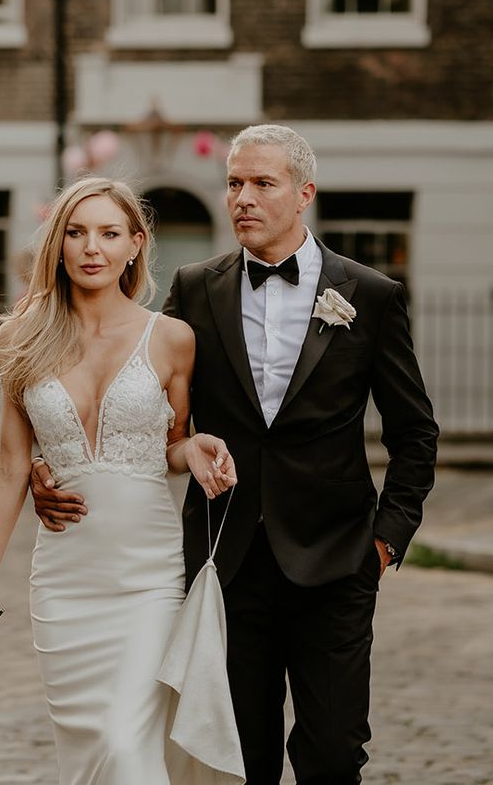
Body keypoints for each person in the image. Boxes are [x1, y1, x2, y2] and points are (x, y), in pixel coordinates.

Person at [33, 125, 439, 784]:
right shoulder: (196, 290)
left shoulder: (370, 296)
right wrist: (44, 462)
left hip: (337, 563)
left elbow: (415, 433)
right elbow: (131, 401)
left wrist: (385, 541)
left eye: (261, 184)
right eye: (233, 184)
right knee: (238, 760)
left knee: (334, 754)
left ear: (303, 193)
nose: (242, 198)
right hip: (227, 565)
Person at [0, 176, 241, 785]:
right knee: (93, 758)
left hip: (148, 577)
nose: (93, 248)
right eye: (78, 233)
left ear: (135, 244)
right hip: (64, 584)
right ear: (58, 246)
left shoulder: (172, 339)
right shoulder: (21, 337)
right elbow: (10, 467)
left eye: (110, 234)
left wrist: (195, 449)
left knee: (126, 742)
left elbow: (171, 444)